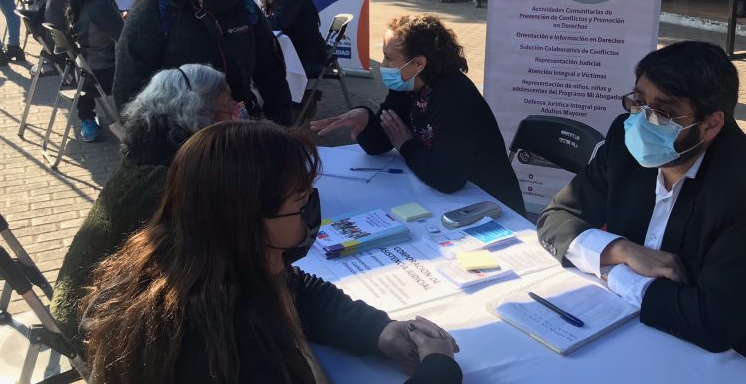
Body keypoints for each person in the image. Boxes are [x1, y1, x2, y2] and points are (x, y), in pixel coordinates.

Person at [81, 121, 461, 384]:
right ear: (247, 219)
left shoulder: (191, 254)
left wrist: (379, 330)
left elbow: (298, 290)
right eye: (301, 200)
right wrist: (440, 369)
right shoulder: (233, 346)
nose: (314, 209)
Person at [536, 41, 746, 384]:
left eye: (663, 112)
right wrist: (621, 251)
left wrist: (612, 274)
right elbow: (555, 218)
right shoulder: (625, 140)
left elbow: (712, 323)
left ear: (711, 124)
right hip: (641, 330)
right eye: (638, 100)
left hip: (743, 362)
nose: (642, 120)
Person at [50, 64, 239, 347]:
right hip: (97, 324)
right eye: (228, 104)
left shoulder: (149, 156)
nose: (237, 111)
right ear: (200, 113)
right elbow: (209, 262)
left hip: (87, 304)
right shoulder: (173, 179)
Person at [312, 14, 524, 214]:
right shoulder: (407, 85)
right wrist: (365, 120)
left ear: (419, 63)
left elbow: (447, 178)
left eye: (388, 58)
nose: (383, 65)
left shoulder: (454, 95)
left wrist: (406, 144)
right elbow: (383, 141)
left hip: (492, 206)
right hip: (449, 199)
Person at [113, 0, 292, 125]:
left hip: (238, 126)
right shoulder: (155, 14)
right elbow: (128, 89)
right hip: (180, 134)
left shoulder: (245, 7)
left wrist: (281, 126)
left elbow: (270, 70)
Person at [65, 0, 124, 142]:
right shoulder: (99, 5)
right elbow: (125, 39)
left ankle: (88, 117)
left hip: (87, 70)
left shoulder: (82, 0)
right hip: (105, 72)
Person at [261, 0, 327, 78]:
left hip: (305, 56)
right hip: (291, 52)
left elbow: (277, 23)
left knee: (263, 70)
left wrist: (256, 20)